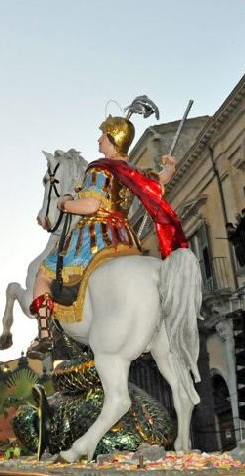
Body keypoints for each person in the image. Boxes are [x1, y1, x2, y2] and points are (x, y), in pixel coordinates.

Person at [27, 115, 186, 358]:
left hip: (96, 237)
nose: (98, 139)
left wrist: (64, 204)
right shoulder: (132, 172)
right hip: (125, 239)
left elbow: (91, 205)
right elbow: (160, 180)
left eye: (102, 135)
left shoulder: (99, 167)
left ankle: (44, 333)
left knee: (44, 274)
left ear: (112, 140)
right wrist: (171, 167)